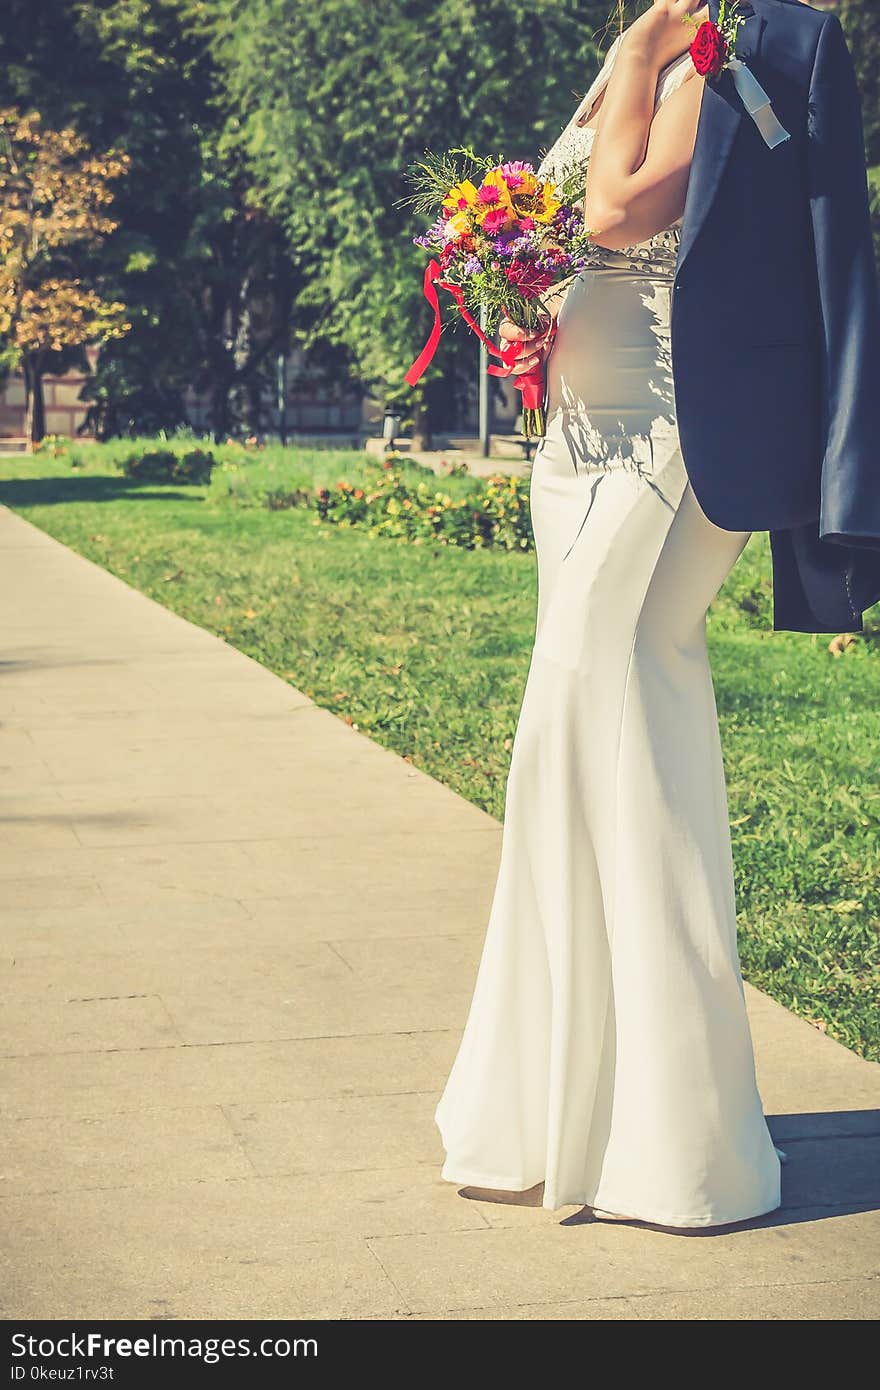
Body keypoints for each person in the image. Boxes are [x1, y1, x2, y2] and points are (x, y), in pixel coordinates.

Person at [434, 0, 880, 1227]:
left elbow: (623, 209)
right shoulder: (666, 30)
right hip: (582, 423)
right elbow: (578, 231)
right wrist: (514, 286)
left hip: (673, 423)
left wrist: (635, 55)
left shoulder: (751, 37)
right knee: (584, 723)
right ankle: (572, 1104)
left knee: (610, 697)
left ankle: (672, 1137)